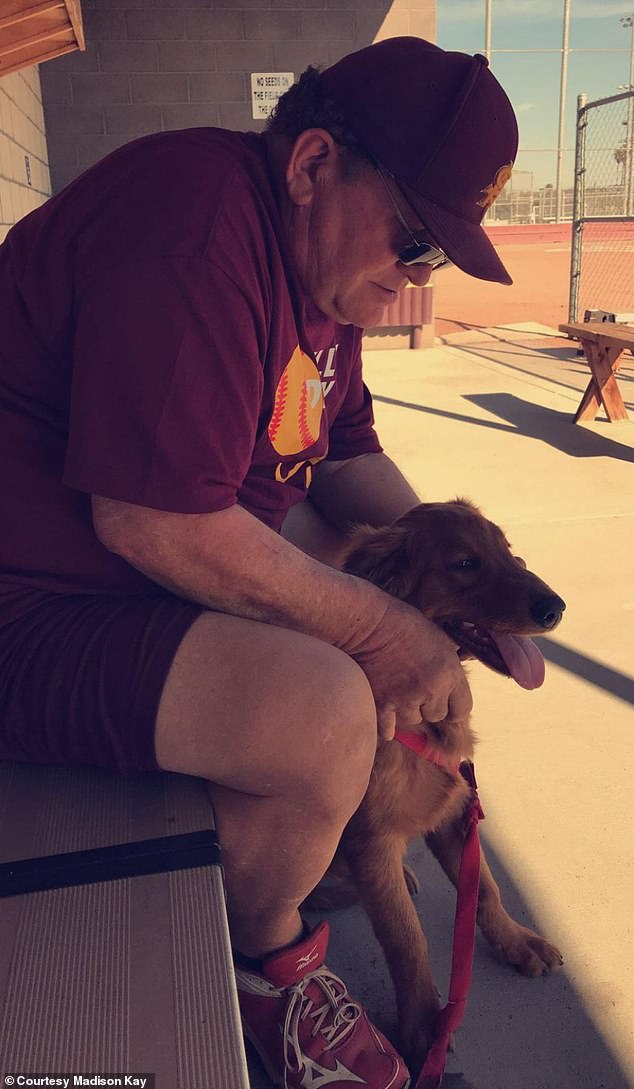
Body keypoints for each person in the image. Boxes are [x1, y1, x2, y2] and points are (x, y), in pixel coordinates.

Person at [0, 35, 518, 1089]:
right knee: (329, 703)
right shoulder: (195, 234)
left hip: (120, 585)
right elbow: (158, 526)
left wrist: (461, 574)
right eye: (414, 240)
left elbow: (350, 460)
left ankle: (269, 844)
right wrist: (382, 634)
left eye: (437, 259)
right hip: (33, 607)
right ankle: (265, 964)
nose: (415, 281)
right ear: (313, 162)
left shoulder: (324, 283)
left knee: (359, 581)